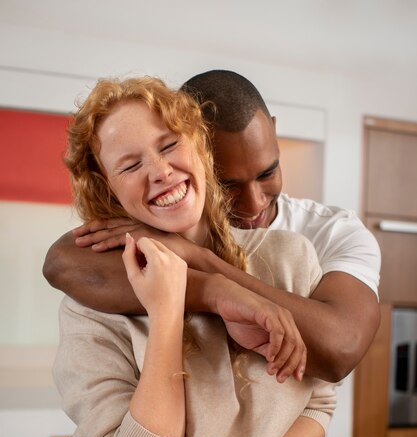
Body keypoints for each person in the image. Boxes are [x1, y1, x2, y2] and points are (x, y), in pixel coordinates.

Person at [54, 75, 336, 437]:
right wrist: (167, 311)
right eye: (129, 166)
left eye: (168, 146)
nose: (161, 171)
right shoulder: (90, 305)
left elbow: (318, 400)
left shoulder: (288, 258)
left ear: (200, 147)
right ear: (107, 190)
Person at [43, 70, 381, 384]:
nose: (252, 206)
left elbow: (339, 351)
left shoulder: (329, 234)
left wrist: (200, 260)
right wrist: (216, 293)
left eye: (267, 173)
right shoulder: (160, 219)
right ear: (200, 151)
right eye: (227, 183)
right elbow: (62, 262)